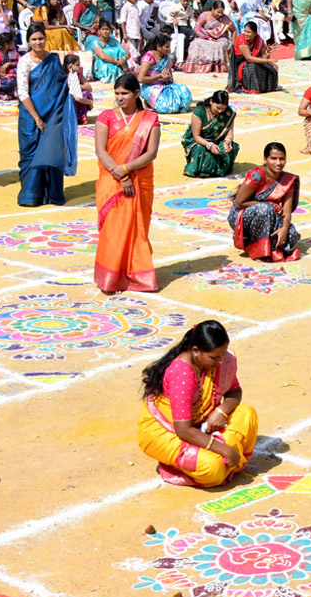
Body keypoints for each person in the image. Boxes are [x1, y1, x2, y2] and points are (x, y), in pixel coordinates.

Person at [138, 320, 259, 488]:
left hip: (201, 427)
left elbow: (235, 392)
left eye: (223, 355)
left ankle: (226, 460)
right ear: (196, 351)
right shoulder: (182, 373)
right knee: (212, 469)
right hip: (168, 432)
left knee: (247, 414)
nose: (221, 361)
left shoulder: (219, 362)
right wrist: (224, 450)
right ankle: (219, 462)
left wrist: (222, 411)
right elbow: (183, 430)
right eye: (215, 357)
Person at [93, 74, 160, 293]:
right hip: (111, 180)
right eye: (117, 93)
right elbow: (101, 151)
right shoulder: (106, 117)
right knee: (113, 230)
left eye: (124, 93)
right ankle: (111, 279)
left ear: (136, 93)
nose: (119, 98)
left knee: (136, 230)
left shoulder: (150, 119)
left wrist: (127, 169)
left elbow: (151, 153)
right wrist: (121, 176)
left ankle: (136, 277)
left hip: (139, 179)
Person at [16, 24, 76, 208]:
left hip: (52, 115)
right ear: (28, 41)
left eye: (41, 38)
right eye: (34, 39)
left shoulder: (53, 59)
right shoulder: (24, 62)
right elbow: (23, 93)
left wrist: (71, 73)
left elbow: (59, 83)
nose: (38, 42)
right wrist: (37, 119)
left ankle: (53, 193)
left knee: (52, 152)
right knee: (30, 154)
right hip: (30, 116)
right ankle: (31, 195)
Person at [229, 141, 300, 262]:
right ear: (265, 159)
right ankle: (259, 250)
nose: (278, 163)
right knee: (265, 209)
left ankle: (254, 240)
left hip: (269, 214)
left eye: (282, 159)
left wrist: (283, 229)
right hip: (242, 215)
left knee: (291, 235)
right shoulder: (256, 175)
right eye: (273, 158)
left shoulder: (287, 180)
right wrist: (267, 205)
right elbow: (239, 203)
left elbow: (287, 212)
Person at [181, 90, 237, 178]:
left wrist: (227, 141)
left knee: (232, 147)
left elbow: (229, 133)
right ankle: (202, 169)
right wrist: (210, 145)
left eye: (223, 109)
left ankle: (218, 169)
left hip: (217, 140)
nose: (220, 111)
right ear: (211, 101)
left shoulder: (228, 113)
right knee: (201, 150)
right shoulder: (199, 112)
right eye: (217, 107)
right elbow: (196, 136)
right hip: (199, 141)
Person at [138, 34, 193, 114]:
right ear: (158, 47)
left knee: (184, 95)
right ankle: (148, 102)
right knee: (166, 107)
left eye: (169, 46)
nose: (169, 49)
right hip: (149, 86)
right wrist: (159, 76)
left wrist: (167, 79)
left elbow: (170, 78)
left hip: (163, 85)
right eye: (167, 47)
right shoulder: (149, 58)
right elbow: (141, 79)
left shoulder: (166, 58)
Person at [184, 0, 232, 73]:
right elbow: (197, 28)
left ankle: (216, 68)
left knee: (218, 45)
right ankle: (196, 67)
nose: (220, 14)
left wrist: (233, 44)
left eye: (221, 13)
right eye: (218, 12)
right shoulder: (204, 15)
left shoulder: (224, 19)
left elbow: (233, 30)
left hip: (220, 38)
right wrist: (207, 37)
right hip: (204, 36)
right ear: (212, 8)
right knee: (195, 43)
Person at [85, 18, 130, 83]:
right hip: (102, 63)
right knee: (109, 67)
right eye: (103, 29)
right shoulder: (95, 42)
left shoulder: (113, 41)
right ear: (99, 31)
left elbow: (126, 53)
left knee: (118, 51)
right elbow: (102, 56)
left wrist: (122, 59)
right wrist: (117, 61)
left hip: (118, 63)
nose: (105, 31)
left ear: (110, 31)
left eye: (107, 29)